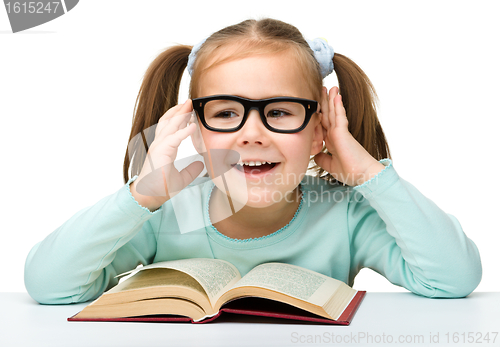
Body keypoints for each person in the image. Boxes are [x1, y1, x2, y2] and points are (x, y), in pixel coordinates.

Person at [24, 18, 481, 305]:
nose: (253, 134)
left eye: (279, 111)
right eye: (225, 113)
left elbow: (451, 279)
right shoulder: (166, 211)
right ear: (196, 130)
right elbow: (51, 284)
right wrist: (142, 195)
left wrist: (368, 175)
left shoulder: (345, 214)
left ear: (319, 126)